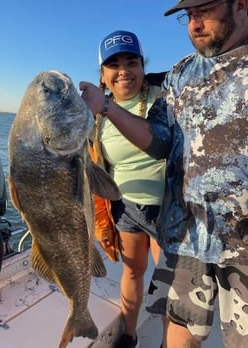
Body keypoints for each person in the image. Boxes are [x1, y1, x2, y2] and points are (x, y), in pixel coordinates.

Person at [80, 1, 248, 346]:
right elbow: (158, 141)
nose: (195, 24)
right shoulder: (181, 74)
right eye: (189, 16)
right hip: (187, 237)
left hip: (242, 245)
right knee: (178, 328)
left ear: (241, 7)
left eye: (205, 12)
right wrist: (107, 107)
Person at [87, 30, 167, 348]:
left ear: (143, 67)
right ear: (103, 76)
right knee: (133, 273)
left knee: (168, 281)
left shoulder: (165, 95)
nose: (124, 71)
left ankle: (168, 340)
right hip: (126, 206)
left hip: (168, 206)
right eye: (114, 64)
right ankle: (129, 335)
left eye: (131, 61)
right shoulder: (93, 116)